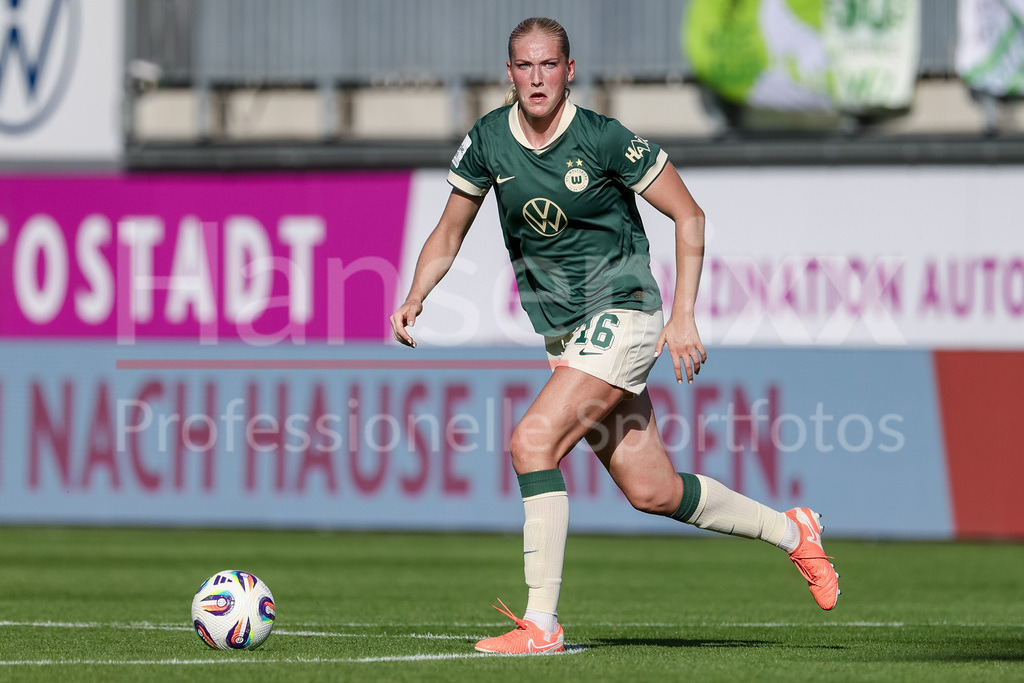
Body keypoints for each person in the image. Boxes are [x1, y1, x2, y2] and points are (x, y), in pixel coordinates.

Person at [389, 16, 839, 655]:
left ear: (570, 71)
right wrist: (415, 294)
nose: (537, 78)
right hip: (565, 335)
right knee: (652, 490)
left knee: (532, 443)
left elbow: (689, 213)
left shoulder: (603, 140)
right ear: (508, 72)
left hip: (624, 314)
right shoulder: (489, 139)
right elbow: (449, 229)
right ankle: (795, 532)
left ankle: (540, 625)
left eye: (550, 65)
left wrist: (682, 315)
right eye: (525, 65)